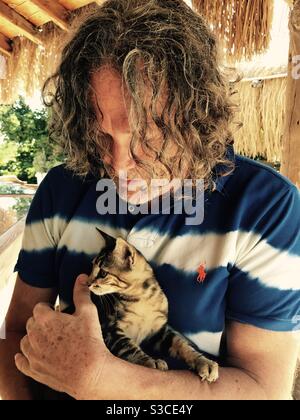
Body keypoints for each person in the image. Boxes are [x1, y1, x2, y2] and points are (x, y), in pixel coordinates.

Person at [0, 0, 299, 400]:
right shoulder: (62, 188)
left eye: (149, 136)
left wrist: (102, 382)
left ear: (197, 114)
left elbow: (265, 389)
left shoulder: (265, 206)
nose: (120, 164)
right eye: (102, 135)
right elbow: (17, 332)